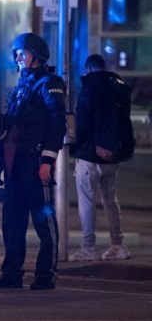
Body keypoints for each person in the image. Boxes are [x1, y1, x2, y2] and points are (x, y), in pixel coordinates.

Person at [0, 32, 66, 291]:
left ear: (37, 55)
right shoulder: (20, 87)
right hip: (15, 166)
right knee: (13, 222)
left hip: (36, 163)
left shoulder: (49, 83)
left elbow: (58, 123)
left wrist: (48, 159)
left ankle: (46, 274)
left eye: (23, 53)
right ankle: (11, 273)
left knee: (44, 221)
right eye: (16, 54)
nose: (18, 58)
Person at [69, 54, 130, 261]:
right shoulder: (118, 88)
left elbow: (82, 122)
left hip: (89, 155)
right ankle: (118, 245)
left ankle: (89, 247)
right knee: (110, 199)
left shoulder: (90, 87)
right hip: (111, 155)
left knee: (87, 200)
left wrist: (73, 147)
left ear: (88, 69)